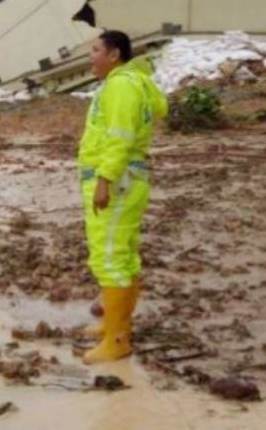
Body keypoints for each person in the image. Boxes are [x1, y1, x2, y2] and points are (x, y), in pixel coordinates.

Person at [77, 30, 167, 364]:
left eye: (95, 50)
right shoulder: (134, 83)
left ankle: (116, 339)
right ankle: (115, 325)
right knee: (123, 255)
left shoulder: (121, 86)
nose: (91, 56)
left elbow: (120, 137)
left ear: (114, 55)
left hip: (117, 181)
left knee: (109, 256)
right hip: (127, 178)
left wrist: (105, 180)